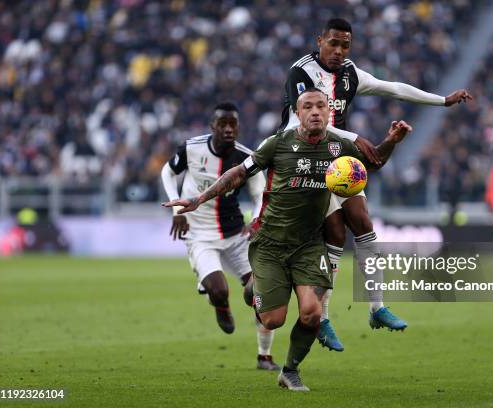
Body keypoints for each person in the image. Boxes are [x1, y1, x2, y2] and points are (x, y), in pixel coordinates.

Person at [163, 88, 413, 391]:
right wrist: (199, 198)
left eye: (322, 105)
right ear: (299, 112)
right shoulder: (278, 144)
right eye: (309, 106)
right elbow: (238, 174)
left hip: (308, 245)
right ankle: (254, 289)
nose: (317, 111)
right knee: (272, 320)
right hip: (270, 244)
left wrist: (391, 142)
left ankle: (291, 370)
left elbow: (372, 163)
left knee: (311, 313)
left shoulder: (339, 146)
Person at [279, 18, 473, 351]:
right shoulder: (302, 73)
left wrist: (442, 100)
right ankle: (321, 317)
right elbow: (297, 123)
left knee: (365, 227)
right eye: (334, 43)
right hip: (303, 160)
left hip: (339, 163)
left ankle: (376, 307)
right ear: (320, 40)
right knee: (335, 235)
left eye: (346, 45)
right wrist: (355, 136)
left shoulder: (351, 74)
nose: (339, 51)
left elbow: (394, 87)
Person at [160, 102, 280, 371]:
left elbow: (260, 193)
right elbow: (167, 171)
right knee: (219, 290)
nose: (228, 129)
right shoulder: (192, 148)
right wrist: (177, 207)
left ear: (238, 127)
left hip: (236, 234)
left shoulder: (245, 157)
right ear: (213, 126)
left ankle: (265, 356)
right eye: (222, 124)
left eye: (233, 124)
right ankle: (221, 305)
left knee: (260, 292)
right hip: (199, 234)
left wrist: (257, 221)